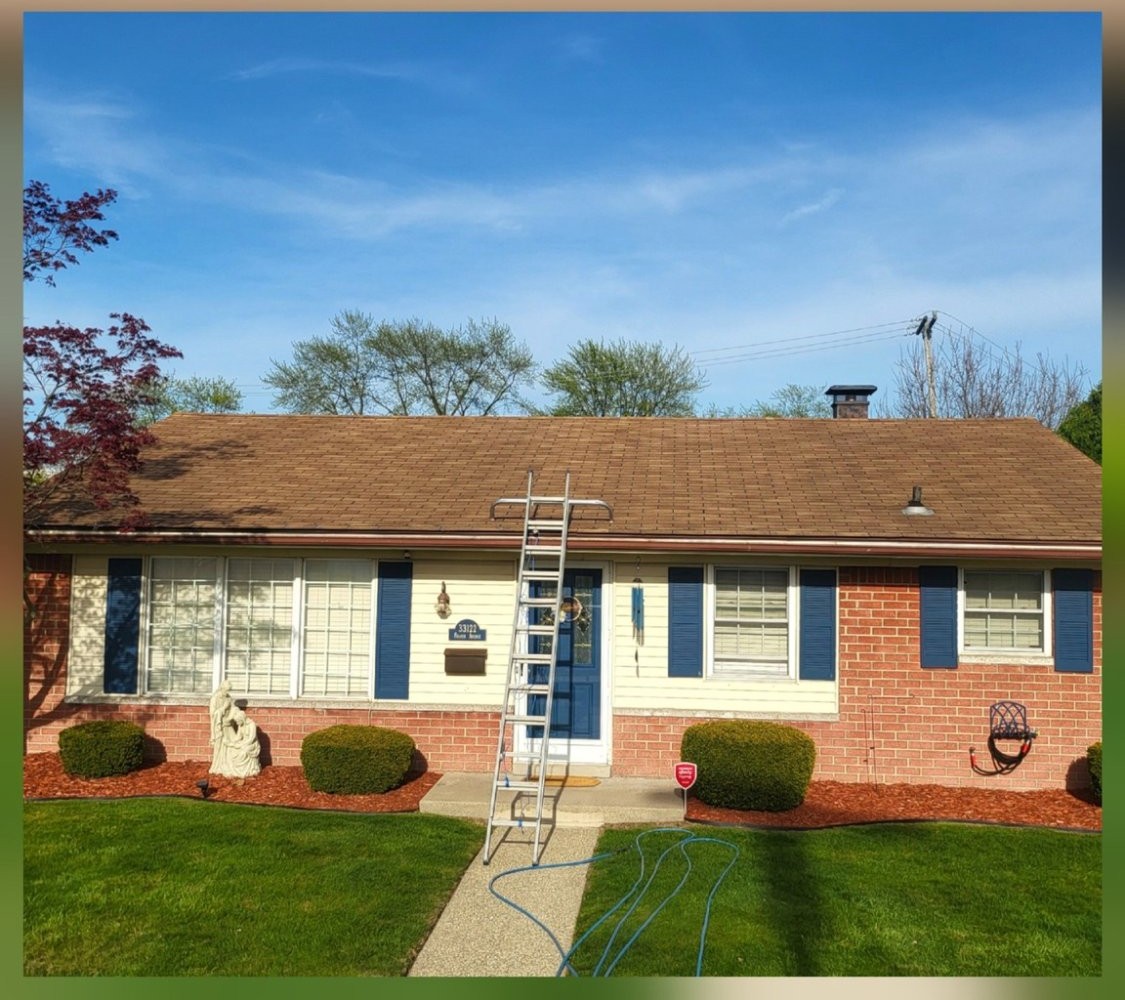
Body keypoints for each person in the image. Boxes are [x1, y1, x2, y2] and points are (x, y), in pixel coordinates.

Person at [224, 705, 261, 778]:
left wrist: (241, 745)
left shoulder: (251, 724)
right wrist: (231, 742)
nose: (237, 723)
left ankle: (248, 770)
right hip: (244, 742)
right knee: (231, 749)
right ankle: (234, 770)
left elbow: (252, 738)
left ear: (242, 719)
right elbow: (238, 737)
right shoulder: (241, 725)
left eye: (238, 721)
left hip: (251, 744)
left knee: (243, 751)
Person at [208, 679, 234, 775]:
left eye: (229, 691)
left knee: (228, 744)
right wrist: (223, 708)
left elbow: (232, 711)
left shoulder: (229, 698)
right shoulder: (215, 698)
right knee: (219, 746)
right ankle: (217, 766)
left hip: (228, 725)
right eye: (226, 690)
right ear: (222, 688)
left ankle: (226, 764)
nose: (227, 693)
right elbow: (213, 714)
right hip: (218, 726)